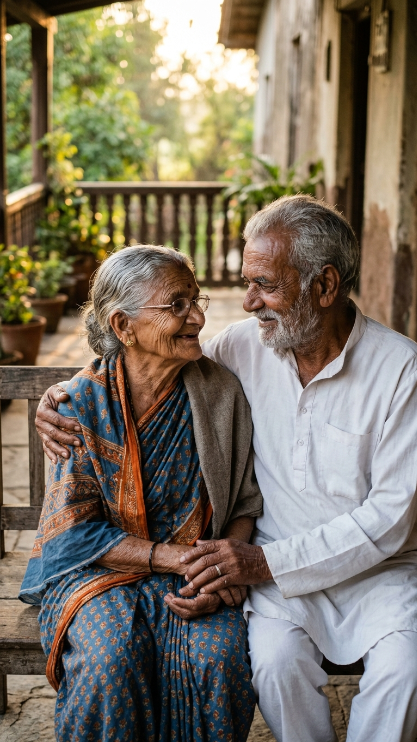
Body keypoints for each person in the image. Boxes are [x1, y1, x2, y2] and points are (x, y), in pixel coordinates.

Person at [38, 195, 417, 742]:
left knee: (405, 670)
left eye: (265, 285)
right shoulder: (244, 347)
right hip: (279, 583)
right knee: (274, 662)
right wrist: (61, 395)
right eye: (246, 283)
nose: (247, 303)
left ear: (325, 286)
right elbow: (138, 357)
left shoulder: (400, 369)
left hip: (373, 574)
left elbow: (392, 517)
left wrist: (258, 563)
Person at [21, 244, 262, 742]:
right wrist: (177, 560)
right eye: (176, 305)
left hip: (197, 573)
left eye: (196, 301)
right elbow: (77, 534)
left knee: (217, 660)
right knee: (110, 659)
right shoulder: (79, 404)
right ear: (122, 326)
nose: (195, 316)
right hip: (98, 573)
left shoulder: (220, 392)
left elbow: (243, 502)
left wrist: (222, 568)